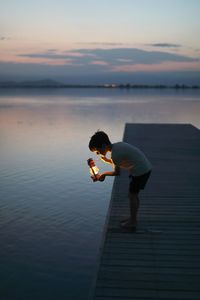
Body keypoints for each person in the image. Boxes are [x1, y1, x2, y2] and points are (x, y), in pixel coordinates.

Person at [88, 130, 152, 229]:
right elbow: (117, 162)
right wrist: (106, 160)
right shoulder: (117, 147)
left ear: (104, 145)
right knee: (133, 195)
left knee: (132, 195)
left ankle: (133, 221)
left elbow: (117, 172)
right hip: (144, 168)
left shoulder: (115, 155)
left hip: (140, 171)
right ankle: (133, 218)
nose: (97, 153)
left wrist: (104, 174)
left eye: (97, 150)